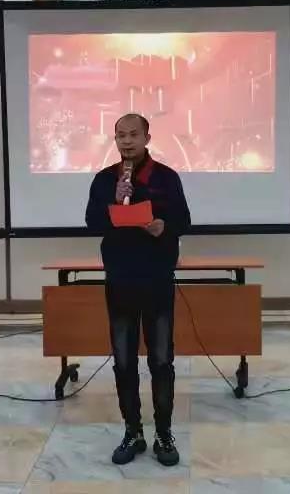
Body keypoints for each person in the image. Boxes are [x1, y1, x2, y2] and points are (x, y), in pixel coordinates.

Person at [85, 113, 191, 467]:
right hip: (120, 280)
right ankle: (133, 431)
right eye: (120, 135)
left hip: (157, 279)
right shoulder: (105, 180)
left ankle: (163, 433)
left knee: (161, 360)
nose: (127, 141)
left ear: (147, 137)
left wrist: (163, 226)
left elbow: (184, 221)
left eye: (133, 135)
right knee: (124, 360)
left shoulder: (166, 178)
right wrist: (114, 203)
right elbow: (92, 223)